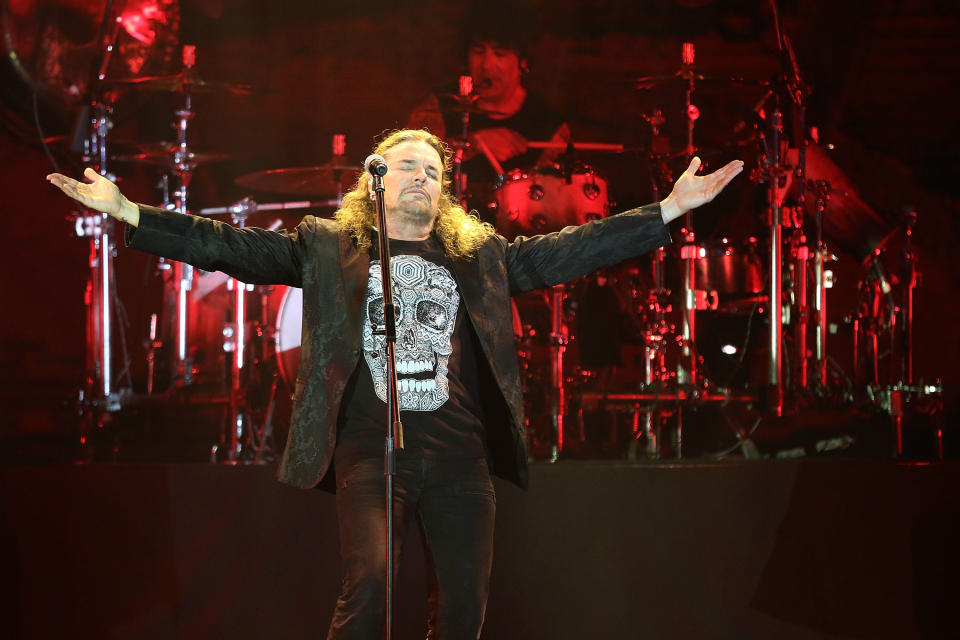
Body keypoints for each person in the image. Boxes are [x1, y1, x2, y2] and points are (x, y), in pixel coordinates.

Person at [47, 128, 743, 639]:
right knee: (372, 586)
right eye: (407, 165)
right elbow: (229, 248)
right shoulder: (329, 247)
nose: (422, 177)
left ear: (446, 190)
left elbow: (572, 250)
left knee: (465, 608)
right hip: (369, 452)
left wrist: (669, 212)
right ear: (374, 179)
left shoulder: (482, 256)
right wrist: (132, 213)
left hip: (461, 458)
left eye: (434, 170)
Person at [406, 1, 570, 220]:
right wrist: (474, 144)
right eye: (478, 51)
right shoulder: (438, 105)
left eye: (500, 54)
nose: (487, 65)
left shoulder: (549, 125)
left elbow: (556, 206)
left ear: (523, 62)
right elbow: (405, 167)